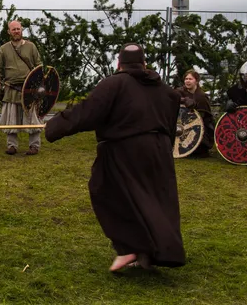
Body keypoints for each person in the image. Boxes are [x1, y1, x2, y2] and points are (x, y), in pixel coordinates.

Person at [44, 43, 185, 272]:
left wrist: (54, 126)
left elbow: (88, 112)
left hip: (124, 149)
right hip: (159, 152)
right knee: (152, 201)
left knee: (105, 191)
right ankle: (149, 252)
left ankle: (128, 247)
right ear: (144, 64)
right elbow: (170, 124)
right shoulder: (167, 91)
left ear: (119, 64)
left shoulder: (114, 83)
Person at [0, 20, 43, 155]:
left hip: (30, 88)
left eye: (18, 29)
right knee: (11, 117)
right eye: (13, 29)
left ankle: (34, 146)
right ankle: (12, 146)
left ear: (22, 30)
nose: (16, 31)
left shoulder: (31, 47)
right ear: (9, 32)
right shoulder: (3, 49)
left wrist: (39, 85)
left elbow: (39, 66)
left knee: (32, 118)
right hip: (11, 88)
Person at [175, 69, 215, 157]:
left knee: (200, 150)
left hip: (197, 128)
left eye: (190, 79)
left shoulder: (202, 97)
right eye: (186, 79)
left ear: (196, 81)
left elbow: (206, 119)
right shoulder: (179, 92)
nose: (187, 81)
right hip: (179, 125)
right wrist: (182, 100)